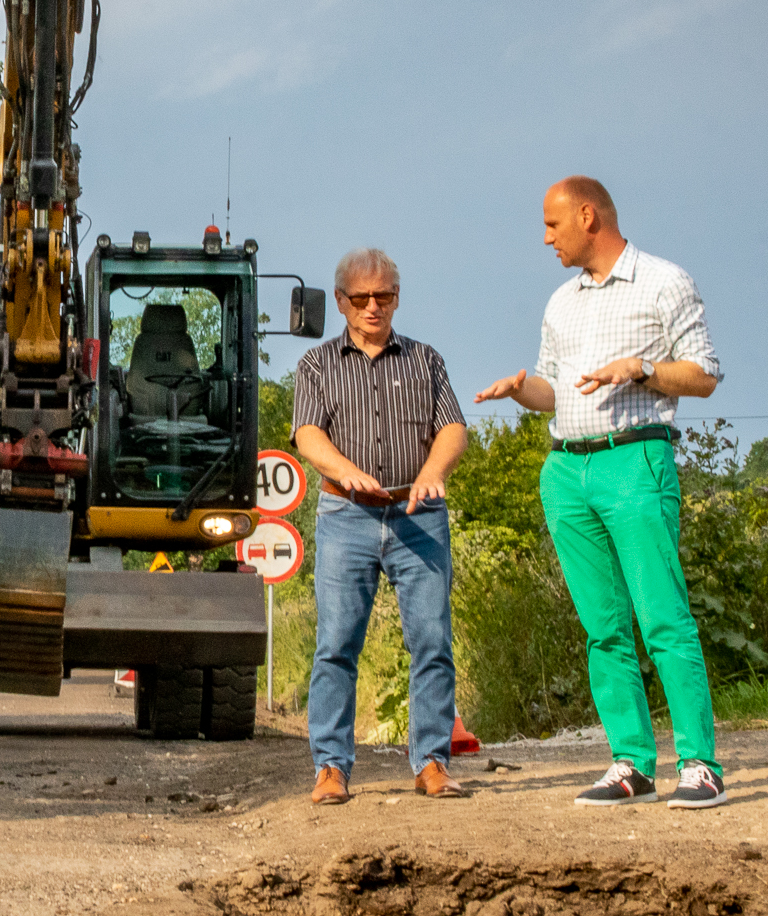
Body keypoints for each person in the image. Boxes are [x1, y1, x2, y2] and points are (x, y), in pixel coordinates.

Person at [474, 176, 728, 809]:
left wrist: (641, 368)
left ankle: (699, 764)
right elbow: (556, 392)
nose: (545, 237)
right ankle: (632, 762)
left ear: (588, 216)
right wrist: (521, 387)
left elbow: (704, 374)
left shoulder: (664, 282)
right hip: (567, 471)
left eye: (552, 224)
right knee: (603, 627)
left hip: (634, 461)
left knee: (663, 616)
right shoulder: (561, 302)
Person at [292, 248, 469, 804]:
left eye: (384, 296)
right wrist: (347, 472)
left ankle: (433, 762)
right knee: (337, 644)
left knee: (432, 641)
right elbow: (307, 435)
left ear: (397, 297)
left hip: (418, 516)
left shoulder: (425, 361)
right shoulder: (316, 365)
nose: (373, 307)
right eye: (361, 298)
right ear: (341, 300)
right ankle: (331, 767)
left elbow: (453, 429)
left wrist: (432, 473)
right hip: (346, 515)